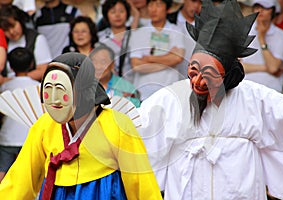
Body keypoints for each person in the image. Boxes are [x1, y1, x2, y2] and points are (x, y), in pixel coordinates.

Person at [137, 0, 283, 199]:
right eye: (194, 71)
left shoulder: (255, 98)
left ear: (227, 77)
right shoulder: (170, 99)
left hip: (239, 189)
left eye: (208, 75)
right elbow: (137, 131)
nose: (197, 81)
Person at [0, 52, 162, 199]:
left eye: (61, 89)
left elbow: (140, 181)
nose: (54, 99)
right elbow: (21, 179)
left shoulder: (118, 124)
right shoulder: (43, 125)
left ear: (83, 89)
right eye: (49, 89)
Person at [129, 0, 185, 101]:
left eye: (158, 5)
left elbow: (178, 58)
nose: (153, 9)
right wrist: (168, 59)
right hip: (144, 93)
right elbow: (136, 65)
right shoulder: (139, 33)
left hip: (170, 91)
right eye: (150, 5)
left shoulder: (176, 31)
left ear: (167, 9)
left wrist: (149, 58)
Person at [0, 47, 40, 183]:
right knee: (30, 173)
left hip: (7, 137)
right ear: (31, 64)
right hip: (29, 136)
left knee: (3, 171)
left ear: (10, 65)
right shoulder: (38, 86)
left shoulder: (5, 87)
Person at [241, 0, 283, 93]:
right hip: (245, 89)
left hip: (271, 91)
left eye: (265, 7)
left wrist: (261, 38)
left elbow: (273, 67)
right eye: (257, 7)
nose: (260, 10)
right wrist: (266, 68)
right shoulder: (243, 32)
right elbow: (239, 66)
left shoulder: (282, 37)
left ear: (273, 11)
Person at [0, 5, 52, 82]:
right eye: (6, 30)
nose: (11, 32)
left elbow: (43, 70)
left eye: (13, 26)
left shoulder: (36, 38)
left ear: (20, 21)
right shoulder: (3, 43)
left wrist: (10, 81)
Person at [98, 0, 136, 82]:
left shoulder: (135, 35)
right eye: (113, 12)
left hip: (133, 86)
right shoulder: (100, 38)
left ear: (127, 13)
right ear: (106, 15)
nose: (117, 15)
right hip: (109, 86)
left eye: (121, 11)